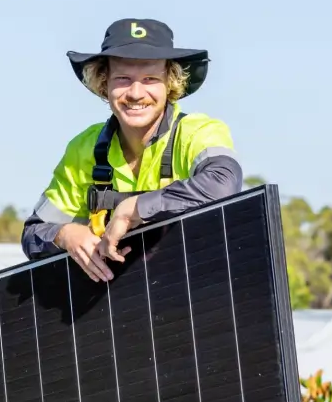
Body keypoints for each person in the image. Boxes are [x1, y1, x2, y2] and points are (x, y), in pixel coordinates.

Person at [21, 18, 243, 282]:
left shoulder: (199, 132)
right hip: (116, 307)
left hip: (196, 293)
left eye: (150, 79)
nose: (136, 93)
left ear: (170, 82)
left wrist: (136, 207)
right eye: (123, 79)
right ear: (104, 83)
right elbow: (34, 233)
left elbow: (224, 184)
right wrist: (66, 235)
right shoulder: (84, 148)